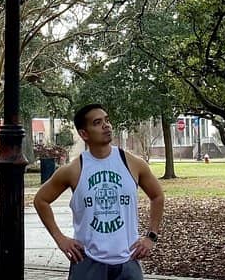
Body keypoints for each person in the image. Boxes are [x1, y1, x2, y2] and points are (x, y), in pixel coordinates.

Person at [34, 103, 165, 279]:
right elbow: (41, 200)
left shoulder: (133, 163)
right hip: (87, 262)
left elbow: (157, 196)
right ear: (84, 134)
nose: (106, 125)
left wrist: (151, 236)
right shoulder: (73, 170)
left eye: (107, 120)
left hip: (128, 261)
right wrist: (60, 239)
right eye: (97, 122)